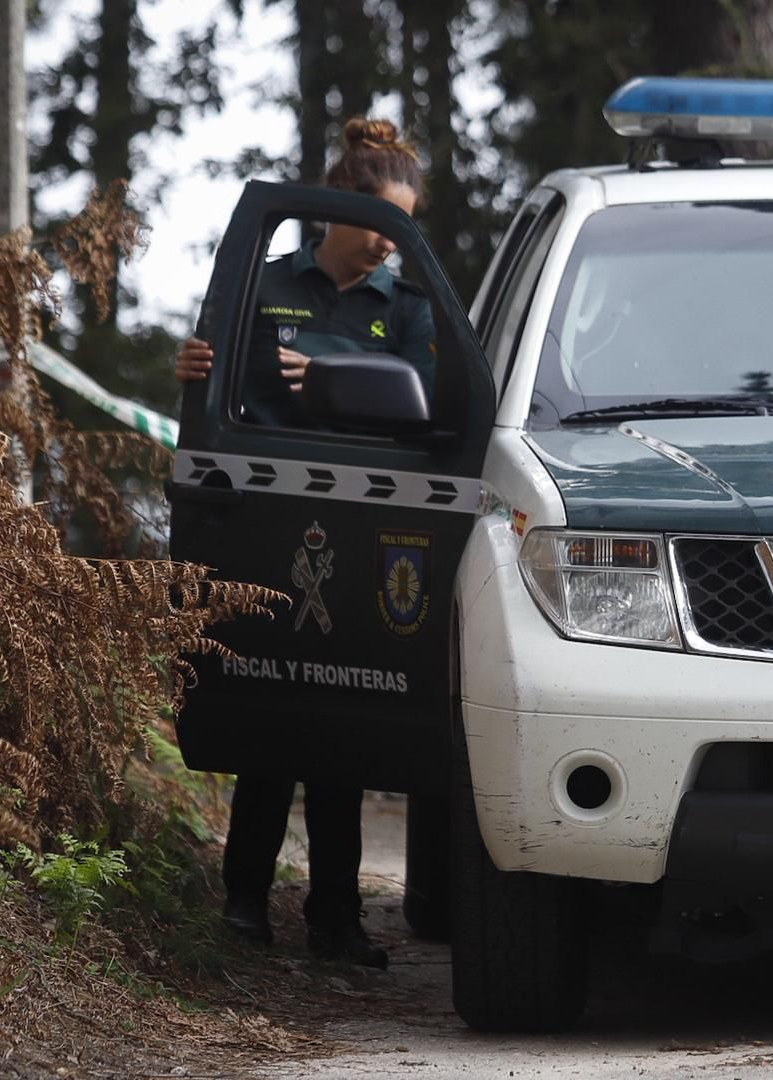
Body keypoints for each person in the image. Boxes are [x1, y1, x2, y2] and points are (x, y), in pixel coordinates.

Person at [175, 117, 435, 968]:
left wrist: (336, 383)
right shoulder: (265, 283)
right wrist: (192, 371)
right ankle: (244, 902)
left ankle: (336, 920)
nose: (387, 246)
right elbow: (220, 394)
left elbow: (429, 406)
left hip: (368, 524)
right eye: (378, 223)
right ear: (331, 210)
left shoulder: (405, 307)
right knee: (266, 725)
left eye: (403, 227)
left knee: (342, 735)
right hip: (260, 517)